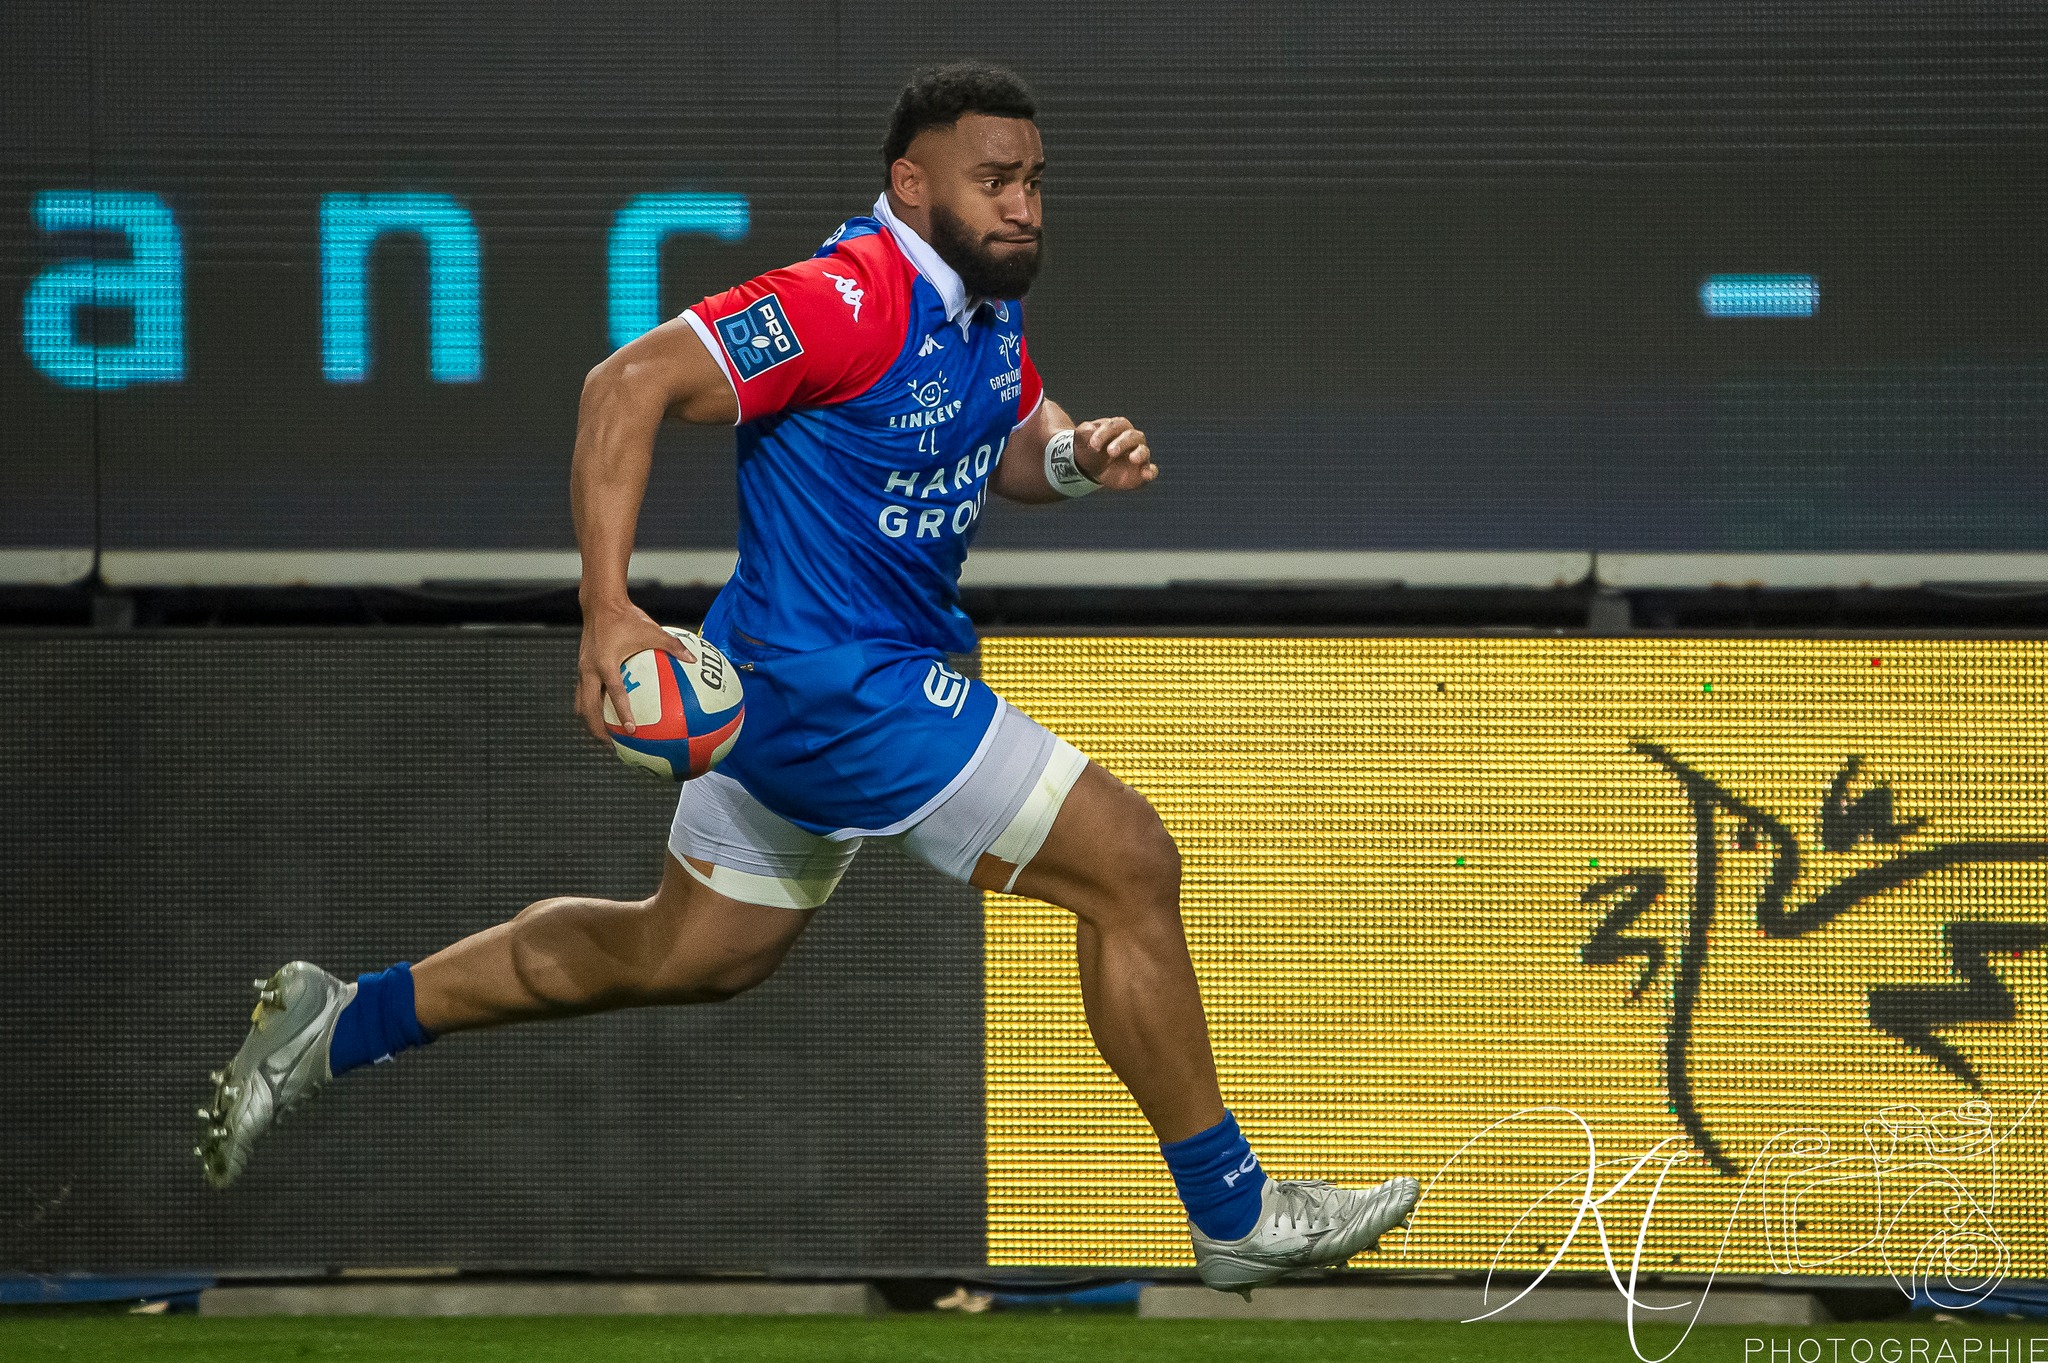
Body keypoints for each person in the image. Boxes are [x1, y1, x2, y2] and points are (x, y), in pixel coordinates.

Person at [195, 60, 1417, 1294]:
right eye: (994, 181)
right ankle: (1232, 1207)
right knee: (1129, 862)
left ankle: (344, 1020)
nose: (1023, 206)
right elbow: (620, 388)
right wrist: (608, 610)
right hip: (843, 690)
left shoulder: (981, 309)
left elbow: (1010, 440)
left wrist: (1076, 454)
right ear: (910, 180)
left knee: (686, 955)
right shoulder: (841, 297)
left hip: (799, 697)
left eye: (1034, 181)